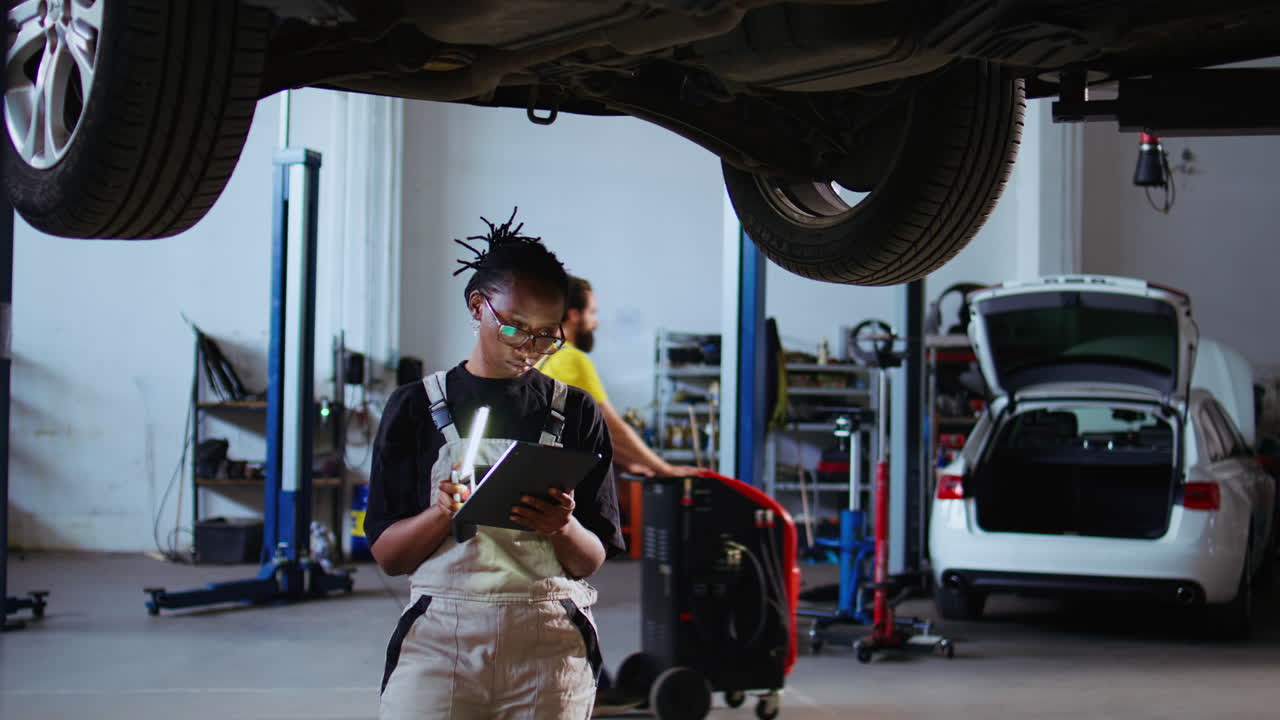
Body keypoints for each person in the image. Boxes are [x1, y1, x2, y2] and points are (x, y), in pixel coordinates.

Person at [365, 210, 625, 720]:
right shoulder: (416, 407)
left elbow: (590, 559)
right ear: (477, 305)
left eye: (547, 335)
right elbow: (390, 558)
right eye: (515, 328)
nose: (530, 349)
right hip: (441, 645)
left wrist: (563, 526)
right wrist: (442, 513)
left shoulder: (575, 413)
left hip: (549, 646)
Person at [537, 276, 700, 478]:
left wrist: (625, 460)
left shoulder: (543, 354)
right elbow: (611, 428)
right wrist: (664, 469)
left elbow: (587, 431)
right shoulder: (572, 359)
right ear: (574, 315)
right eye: (592, 313)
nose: (595, 322)